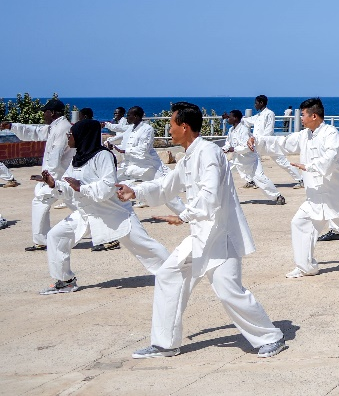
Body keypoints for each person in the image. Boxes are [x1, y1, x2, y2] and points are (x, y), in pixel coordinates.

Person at [116, 102, 287, 358]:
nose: (169, 130)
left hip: (221, 234)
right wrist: (136, 191)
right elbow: (166, 186)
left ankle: (271, 337)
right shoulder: (189, 157)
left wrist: (183, 216)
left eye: (171, 125)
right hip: (200, 236)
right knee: (168, 275)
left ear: (184, 127)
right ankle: (165, 344)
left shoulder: (209, 152)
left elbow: (210, 196)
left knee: (228, 291)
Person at [251, 98, 339, 277]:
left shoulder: (331, 133)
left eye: (303, 115)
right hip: (316, 196)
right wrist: (257, 141)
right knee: (300, 223)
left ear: (314, 116)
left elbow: (331, 157)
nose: (301, 118)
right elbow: (283, 142)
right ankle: (306, 267)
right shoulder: (304, 135)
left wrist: (308, 166)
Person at [39, 118, 170, 294]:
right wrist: (54, 184)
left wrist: (81, 187)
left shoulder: (103, 156)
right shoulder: (77, 158)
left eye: (71, 134)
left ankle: (175, 271)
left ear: (82, 135)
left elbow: (108, 187)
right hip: (87, 212)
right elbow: (69, 186)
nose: (68, 137)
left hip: (113, 213)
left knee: (143, 244)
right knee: (56, 235)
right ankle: (65, 281)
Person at [2, 99, 73, 252]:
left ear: (52, 112)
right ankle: (105, 235)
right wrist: (12, 126)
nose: (43, 115)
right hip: (58, 176)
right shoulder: (56, 126)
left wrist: (48, 178)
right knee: (82, 207)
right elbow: (35, 132)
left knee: (41, 201)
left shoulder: (62, 128)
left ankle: (42, 240)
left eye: (45, 112)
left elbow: (55, 155)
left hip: (59, 177)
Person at [223, 111, 285, 206]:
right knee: (223, 174)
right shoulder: (231, 130)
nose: (228, 119)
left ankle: (277, 196)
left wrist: (234, 149)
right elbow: (228, 142)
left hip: (251, 161)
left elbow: (247, 147)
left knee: (260, 178)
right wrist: (225, 148)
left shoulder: (243, 130)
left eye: (230, 117)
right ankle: (222, 199)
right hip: (237, 161)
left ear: (235, 118)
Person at [248, 95, 302, 187]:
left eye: (256, 103)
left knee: (282, 162)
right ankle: (252, 181)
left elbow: (268, 131)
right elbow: (247, 120)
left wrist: (258, 139)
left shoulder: (270, 113)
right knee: (253, 161)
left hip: (269, 144)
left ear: (261, 103)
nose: (255, 105)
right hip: (258, 143)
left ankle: (301, 180)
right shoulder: (258, 115)